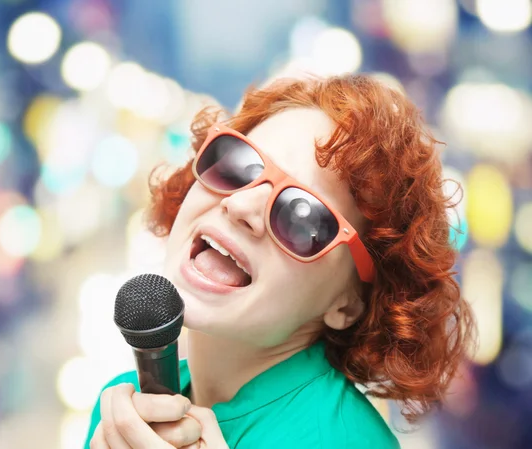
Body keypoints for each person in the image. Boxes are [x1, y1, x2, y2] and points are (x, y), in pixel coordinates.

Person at [84, 73, 475, 449]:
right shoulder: (120, 413)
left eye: (302, 215)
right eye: (237, 165)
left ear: (349, 303)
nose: (241, 206)